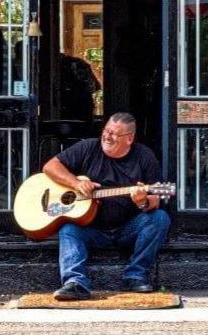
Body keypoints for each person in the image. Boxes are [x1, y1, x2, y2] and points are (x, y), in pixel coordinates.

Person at [42, 112, 170, 301]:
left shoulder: (144, 156)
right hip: (90, 228)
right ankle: (75, 282)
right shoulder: (88, 147)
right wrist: (75, 183)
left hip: (128, 228)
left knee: (159, 218)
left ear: (129, 139)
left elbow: (156, 200)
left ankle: (135, 276)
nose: (107, 136)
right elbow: (50, 167)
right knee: (68, 228)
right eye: (106, 130)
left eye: (114, 134)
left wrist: (142, 201)